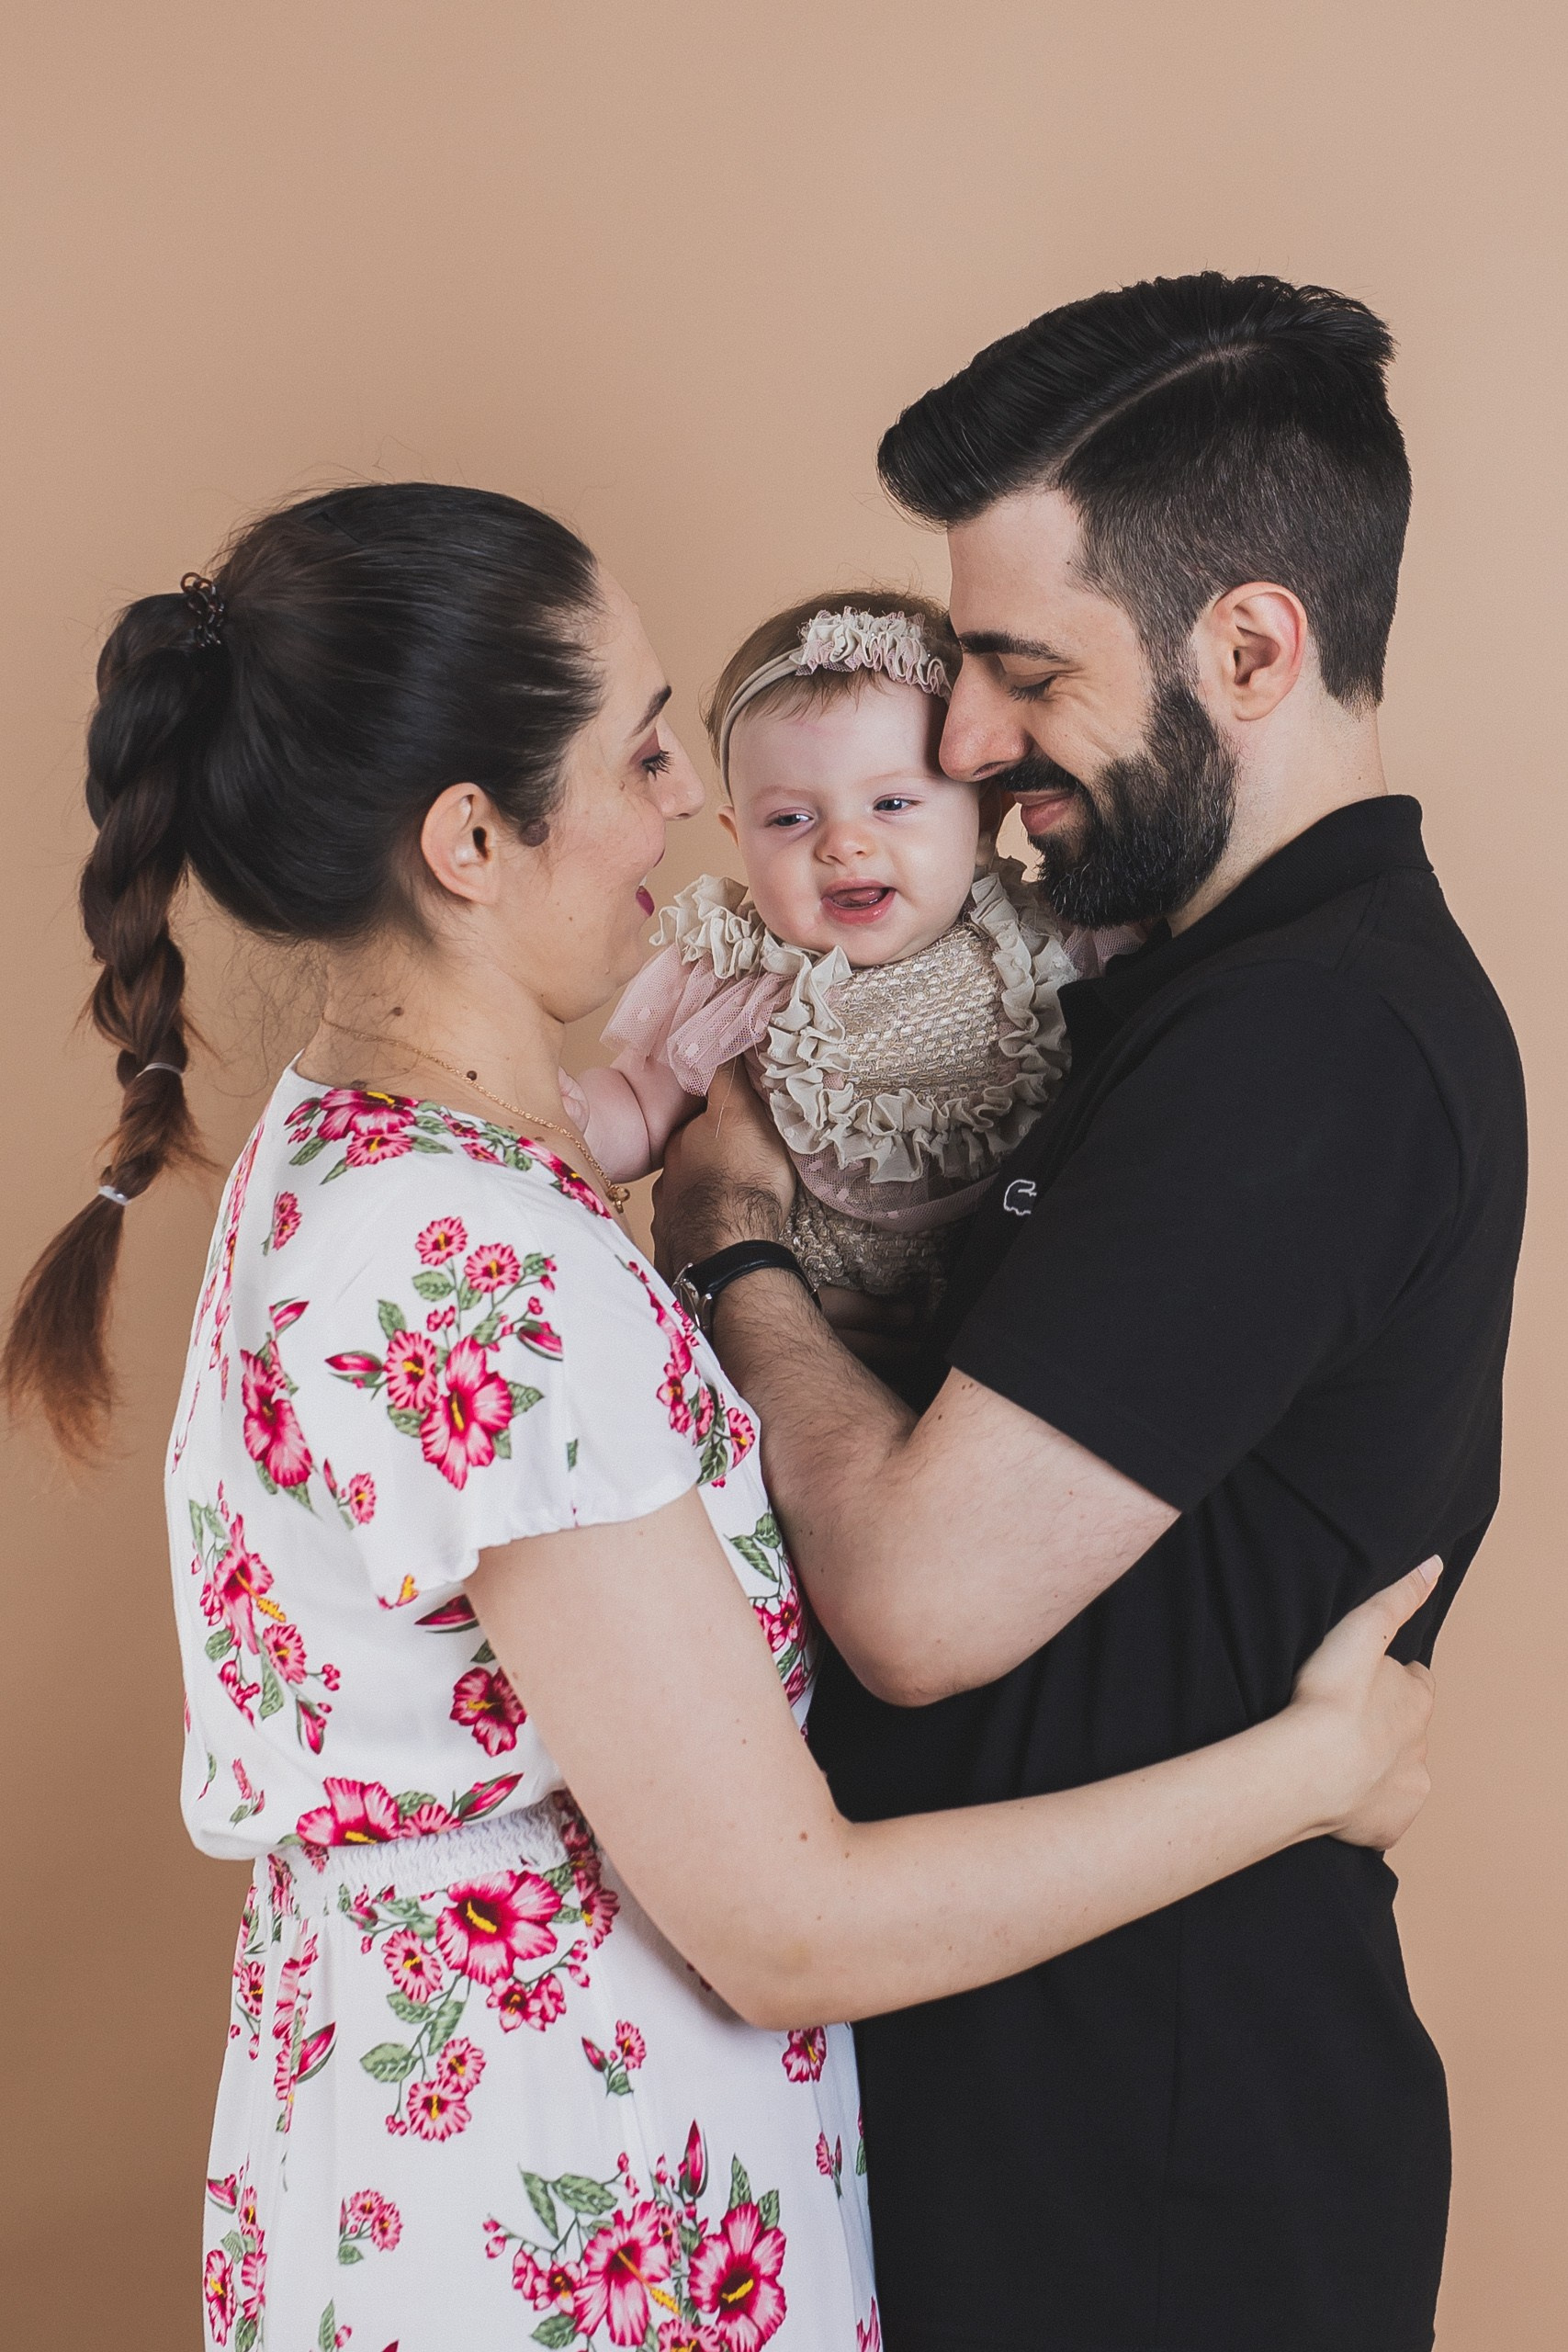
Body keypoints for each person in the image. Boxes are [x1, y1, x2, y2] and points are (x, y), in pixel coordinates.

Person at [1, 482, 1436, 2352]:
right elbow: (784, 1925)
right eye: (643, 747)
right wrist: (1307, 1774)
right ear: (469, 839)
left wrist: (642, 1141)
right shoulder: (474, 1257)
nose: (689, 798)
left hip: (426, 2165)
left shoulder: (352, 1144)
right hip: (561, 2222)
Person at [651, 273, 1529, 2352]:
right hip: (1012, 2127)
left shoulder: (1308, 1044)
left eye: (1021, 671)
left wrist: (731, 1241)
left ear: (1249, 648)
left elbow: (915, 1599)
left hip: (1152, 2187)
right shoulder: (1151, 992)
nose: (959, 741)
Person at [572, 589, 1133, 1306]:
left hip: (1008, 1317)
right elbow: (638, 1106)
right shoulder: (736, 968)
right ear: (739, 838)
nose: (843, 843)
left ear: (984, 811)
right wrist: (568, 1113)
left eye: (891, 804)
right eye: (789, 818)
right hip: (791, 1317)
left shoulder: (1045, 944)